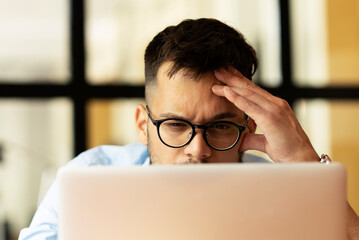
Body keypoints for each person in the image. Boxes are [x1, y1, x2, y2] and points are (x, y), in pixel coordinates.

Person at [19, 18, 359, 239]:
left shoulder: (283, 193)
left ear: (248, 127)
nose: (198, 150)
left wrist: (305, 163)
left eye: (221, 125)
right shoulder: (89, 177)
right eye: (177, 125)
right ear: (143, 125)